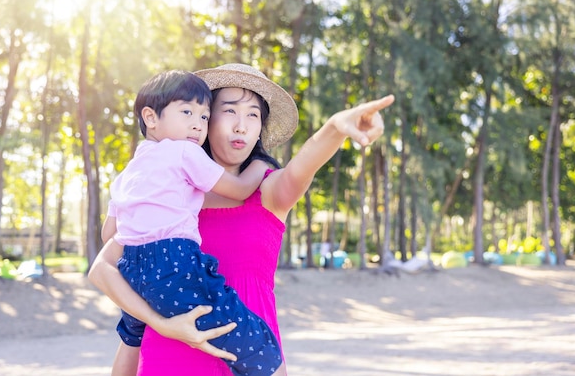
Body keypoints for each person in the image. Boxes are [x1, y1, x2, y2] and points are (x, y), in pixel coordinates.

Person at [88, 63, 395, 376]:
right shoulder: (166, 198)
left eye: (253, 115)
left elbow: (302, 168)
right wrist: (161, 325)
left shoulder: (269, 190)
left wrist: (335, 129)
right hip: (166, 359)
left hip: (247, 361)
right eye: (229, 111)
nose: (241, 126)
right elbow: (104, 270)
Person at [101, 69, 286, 376]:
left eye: (202, 117)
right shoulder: (184, 152)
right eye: (188, 112)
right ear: (151, 117)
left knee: (133, 333)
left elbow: (110, 233)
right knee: (260, 348)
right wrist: (261, 165)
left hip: (134, 267)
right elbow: (240, 190)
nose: (196, 124)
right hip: (174, 262)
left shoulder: (130, 172)